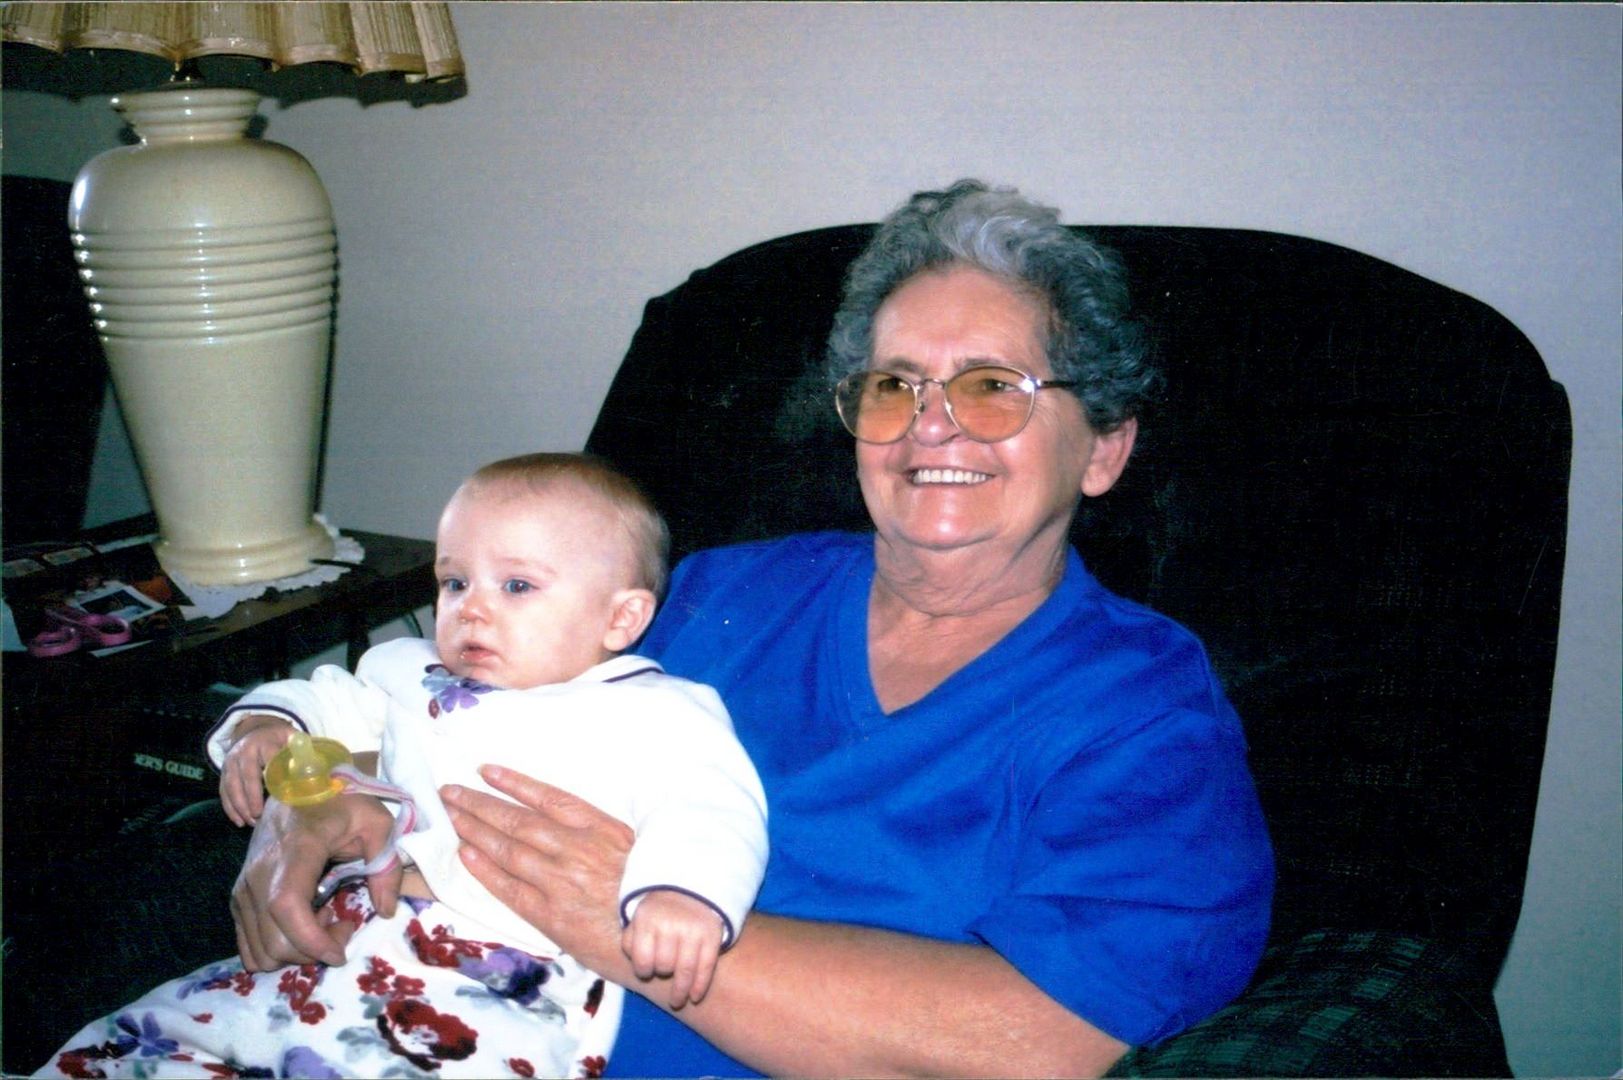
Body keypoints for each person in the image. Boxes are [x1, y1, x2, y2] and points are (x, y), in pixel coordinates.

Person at [229, 179, 1274, 1078]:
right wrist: (312, 798)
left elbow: (1049, 1037)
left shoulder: (1141, 708)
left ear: (1104, 447)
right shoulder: (713, 591)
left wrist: (625, 926)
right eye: (894, 385)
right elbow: (458, 702)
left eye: (993, 386)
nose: (931, 423)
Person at [36, 453, 768, 1079]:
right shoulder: (408, 671)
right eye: (455, 582)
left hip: (504, 968)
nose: (471, 609)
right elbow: (329, 700)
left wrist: (682, 894)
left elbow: (707, 805)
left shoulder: (654, 709)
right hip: (351, 928)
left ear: (620, 618)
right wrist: (266, 726)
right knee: (158, 1038)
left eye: (516, 586)